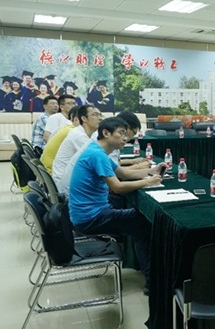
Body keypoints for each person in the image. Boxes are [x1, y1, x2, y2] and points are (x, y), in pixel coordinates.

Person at [68, 117, 164, 293]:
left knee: (139, 221)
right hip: (91, 218)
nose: (125, 138)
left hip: (89, 214)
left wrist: (151, 171)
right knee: (145, 222)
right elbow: (118, 187)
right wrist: (148, 182)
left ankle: (147, 271)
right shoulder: (97, 155)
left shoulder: (97, 151)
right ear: (106, 133)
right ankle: (153, 282)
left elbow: (123, 173)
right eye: (121, 133)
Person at [51, 105, 102, 188]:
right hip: (66, 184)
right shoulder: (78, 135)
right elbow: (97, 160)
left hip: (70, 178)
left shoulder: (85, 133)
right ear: (84, 119)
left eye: (100, 115)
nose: (100, 118)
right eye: (95, 115)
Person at [40, 106, 80, 172]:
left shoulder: (67, 127)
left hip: (49, 167)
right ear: (76, 119)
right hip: (52, 170)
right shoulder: (72, 132)